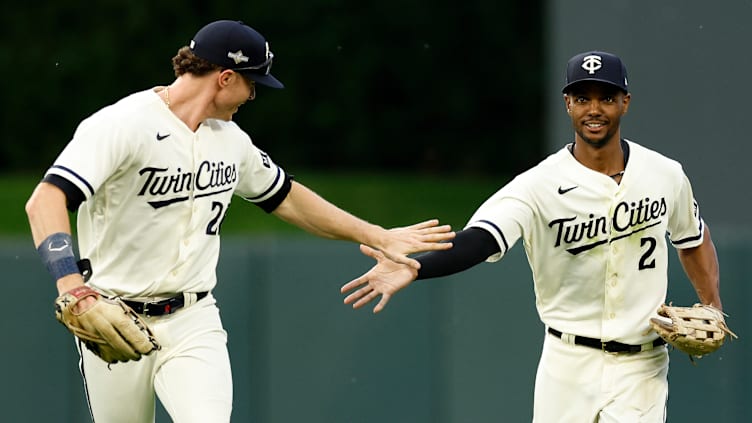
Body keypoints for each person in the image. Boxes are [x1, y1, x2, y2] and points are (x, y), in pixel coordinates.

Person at [25, 20, 455, 423]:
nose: (253, 96)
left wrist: (377, 235)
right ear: (225, 77)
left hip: (192, 319)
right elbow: (45, 201)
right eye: (252, 83)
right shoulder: (122, 125)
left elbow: (286, 197)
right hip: (112, 315)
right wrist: (71, 286)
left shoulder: (231, 141)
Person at [341, 50, 727, 422]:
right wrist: (416, 267)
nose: (594, 109)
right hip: (567, 363)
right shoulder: (537, 185)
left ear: (625, 102)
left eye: (606, 97)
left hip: (642, 364)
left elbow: (693, 237)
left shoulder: (665, 174)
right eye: (582, 98)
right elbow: (481, 240)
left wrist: (711, 304)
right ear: (567, 104)